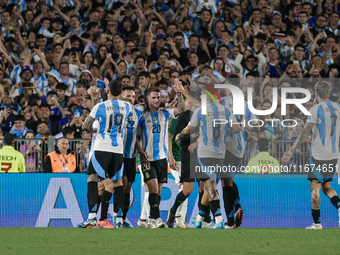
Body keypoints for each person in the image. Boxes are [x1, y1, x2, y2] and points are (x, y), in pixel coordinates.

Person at [175, 89, 241, 229]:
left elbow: (187, 130)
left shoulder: (200, 111)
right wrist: (225, 133)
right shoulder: (225, 111)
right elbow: (237, 128)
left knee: (210, 186)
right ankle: (199, 219)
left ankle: (218, 220)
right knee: (209, 186)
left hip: (205, 153)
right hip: (220, 154)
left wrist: (179, 136)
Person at [282, 81, 340, 229]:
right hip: (334, 155)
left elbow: (304, 133)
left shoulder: (316, 109)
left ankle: (317, 223)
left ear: (316, 93)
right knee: (326, 186)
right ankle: (339, 206)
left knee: (315, 186)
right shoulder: (338, 107)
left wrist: (290, 151)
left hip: (318, 156)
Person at [78, 79, 133, 229]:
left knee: (93, 178)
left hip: (102, 148)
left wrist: (94, 131)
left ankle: (93, 217)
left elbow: (85, 126)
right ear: (121, 92)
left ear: (107, 91)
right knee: (117, 183)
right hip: (118, 151)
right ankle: (119, 219)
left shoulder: (100, 107)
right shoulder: (127, 106)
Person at [137, 80, 184, 228]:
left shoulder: (165, 113)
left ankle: (152, 219)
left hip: (162, 158)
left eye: (158, 97)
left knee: (157, 192)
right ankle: (155, 219)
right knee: (152, 189)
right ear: (147, 99)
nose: (156, 100)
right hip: (147, 159)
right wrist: (140, 152)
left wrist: (179, 92)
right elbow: (135, 137)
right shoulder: (141, 115)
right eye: (153, 97)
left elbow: (181, 108)